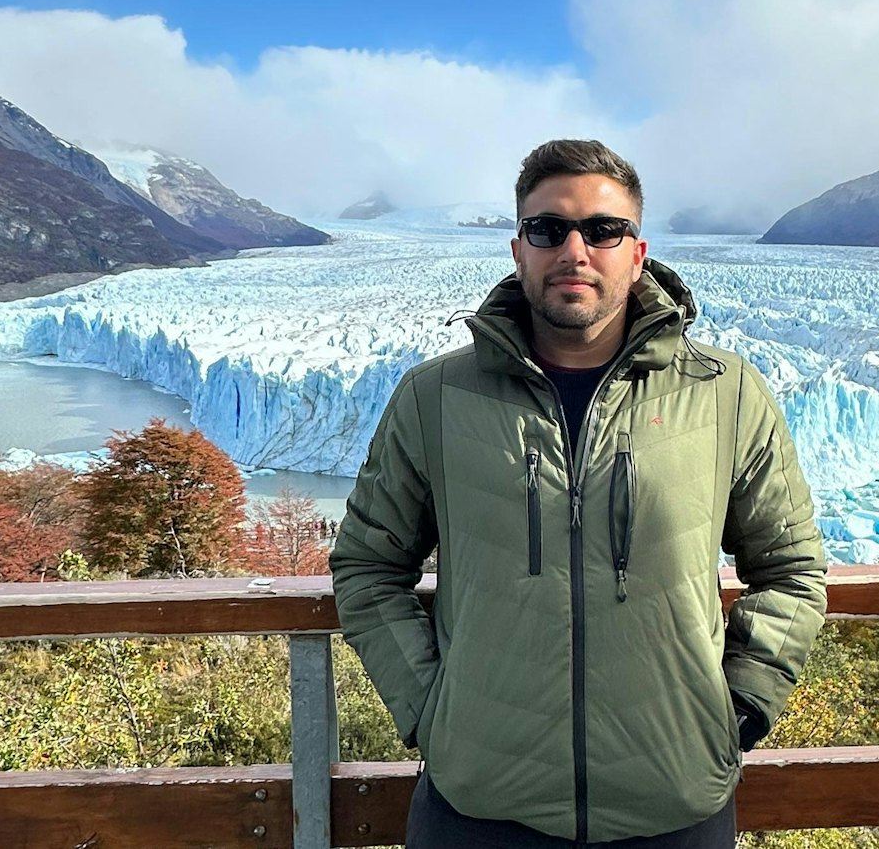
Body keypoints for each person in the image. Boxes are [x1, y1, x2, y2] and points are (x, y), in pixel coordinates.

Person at [330, 139, 829, 847]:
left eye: (602, 229)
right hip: (477, 808)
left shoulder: (725, 394)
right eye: (547, 229)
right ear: (517, 249)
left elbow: (792, 568)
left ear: (638, 250)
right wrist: (431, 713)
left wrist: (738, 709)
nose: (574, 249)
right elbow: (368, 565)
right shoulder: (436, 397)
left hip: (673, 804)